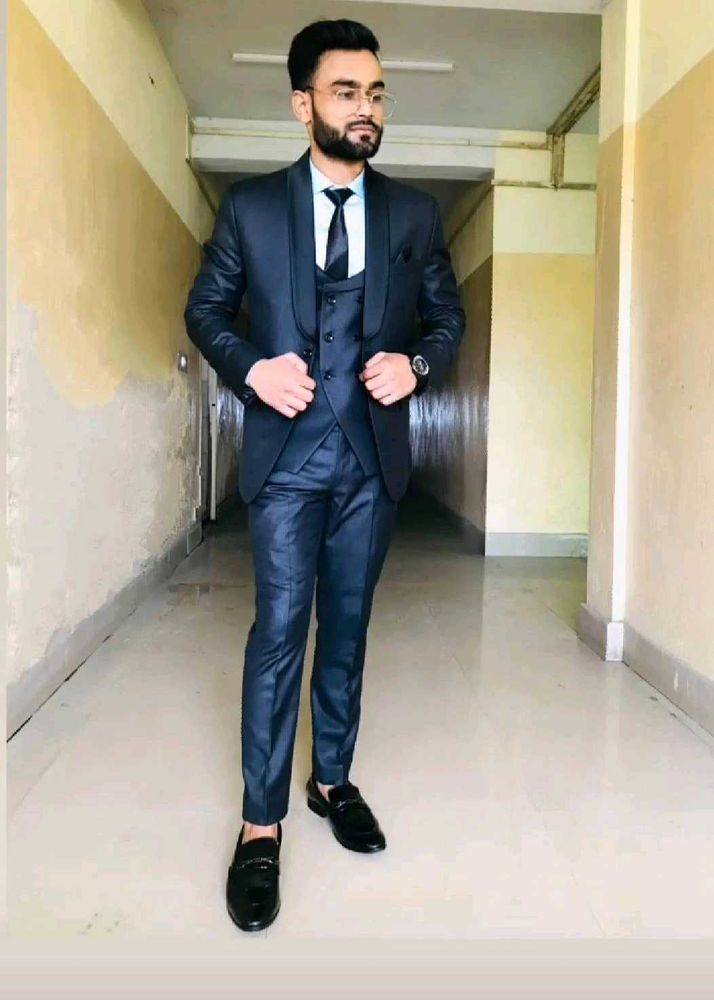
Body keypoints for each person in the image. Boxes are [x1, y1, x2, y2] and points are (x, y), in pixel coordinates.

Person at [184, 17, 465, 932]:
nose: (366, 108)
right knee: (279, 632)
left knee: (346, 626)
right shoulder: (251, 208)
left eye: (376, 93)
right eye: (348, 92)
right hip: (285, 459)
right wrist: (252, 369)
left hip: (371, 462)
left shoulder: (415, 214)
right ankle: (259, 824)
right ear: (303, 104)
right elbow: (205, 310)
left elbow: (447, 320)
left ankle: (331, 780)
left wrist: (415, 366)